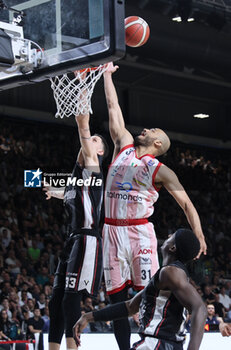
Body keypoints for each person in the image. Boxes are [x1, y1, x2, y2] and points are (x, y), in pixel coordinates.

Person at [102, 62, 207, 349]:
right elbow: (113, 111)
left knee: (151, 293)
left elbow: (186, 203)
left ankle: (167, 339)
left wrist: (199, 235)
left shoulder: (161, 170)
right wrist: (107, 76)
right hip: (111, 230)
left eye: (151, 129)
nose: (145, 129)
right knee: (116, 299)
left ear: (157, 142)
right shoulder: (123, 145)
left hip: (139, 232)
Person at [43, 86, 108, 350]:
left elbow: (83, 126)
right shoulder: (77, 175)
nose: (89, 141)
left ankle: (73, 347)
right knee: (56, 298)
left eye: (95, 140)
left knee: (70, 298)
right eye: (90, 139)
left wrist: (83, 91)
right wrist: (54, 192)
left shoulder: (93, 167)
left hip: (87, 239)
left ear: (100, 152)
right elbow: (71, 194)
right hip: (73, 240)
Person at [73, 229, 208, 350]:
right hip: (168, 345)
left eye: (172, 236)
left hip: (156, 344)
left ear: (173, 248)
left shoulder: (171, 272)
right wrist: (89, 317)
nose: (168, 235)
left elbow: (200, 308)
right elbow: (131, 307)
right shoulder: (168, 276)